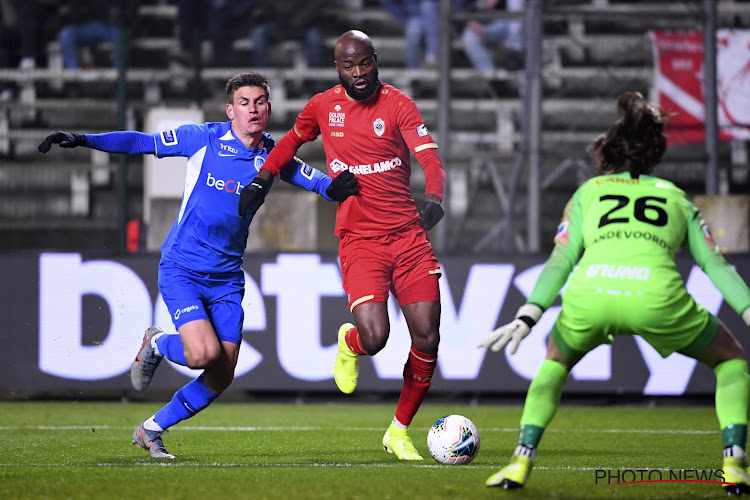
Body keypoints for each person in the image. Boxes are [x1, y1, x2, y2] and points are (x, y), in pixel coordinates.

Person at [37, 72, 359, 459]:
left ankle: (151, 430)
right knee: (202, 354)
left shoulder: (275, 157)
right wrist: (86, 139)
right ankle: (156, 342)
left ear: (269, 109)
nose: (253, 109)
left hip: (226, 279)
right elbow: (141, 142)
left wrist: (339, 188)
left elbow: (318, 183)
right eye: (244, 102)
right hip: (182, 269)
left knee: (222, 374)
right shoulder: (203, 138)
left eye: (260, 102)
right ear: (230, 110)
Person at [478, 91, 750, 494]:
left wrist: (528, 314)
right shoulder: (677, 198)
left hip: (592, 292)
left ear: (608, 149)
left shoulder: (589, 193)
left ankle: (520, 460)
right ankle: (735, 465)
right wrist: (747, 308)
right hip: (656, 297)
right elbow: (714, 264)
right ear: (654, 153)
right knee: (731, 362)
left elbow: (561, 259)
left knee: (555, 360)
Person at [238, 30, 447, 460]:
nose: (359, 73)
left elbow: (429, 158)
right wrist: (262, 178)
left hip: (409, 237)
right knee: (376, 337)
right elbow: (291, 142)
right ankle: (350, 342)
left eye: (365, 64)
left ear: (376, 60)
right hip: (361, 240)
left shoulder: (399, 105)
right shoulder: (322, 106)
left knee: (427, 337)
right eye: (349, 67)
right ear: (338, 69)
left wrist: (435, 199)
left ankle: (398, 431)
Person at [461, 0, 524, 72]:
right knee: (469, 38)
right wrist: (469, 21)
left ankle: (516, 52)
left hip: (509, 22)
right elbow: (460, 7)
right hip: (484, 24)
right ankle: (493, 77)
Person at [379, 0, 439, 69]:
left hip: (440, 17)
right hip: (415, 17)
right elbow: (389, 3)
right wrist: (404, 20)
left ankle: (433, 55)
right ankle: (415, 71)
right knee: (413, 32)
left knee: (428, 7)